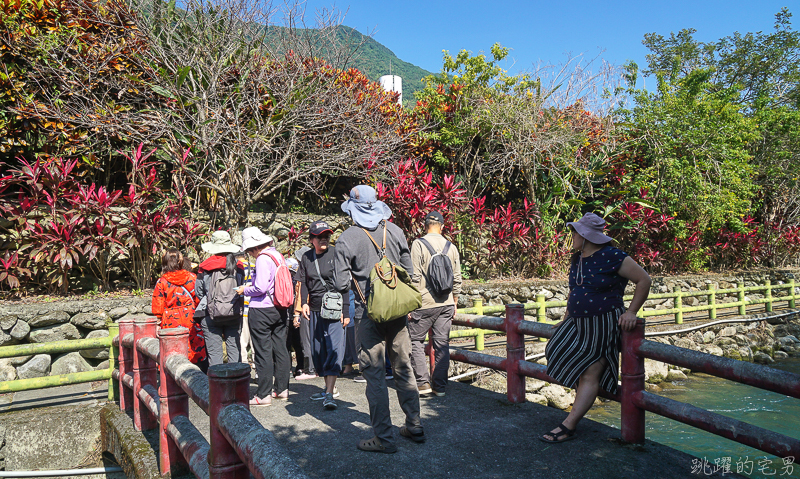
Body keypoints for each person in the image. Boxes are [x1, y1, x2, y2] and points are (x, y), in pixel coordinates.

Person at [542, 212, 651, 443]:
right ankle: (582, 400)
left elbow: (644, 280)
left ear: (585, 235)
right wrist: (566, 318)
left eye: (574, 232)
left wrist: (631, 312)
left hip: (603, 321)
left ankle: (568, 425)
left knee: (591, 373)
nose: (571, 236)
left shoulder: (614, 256)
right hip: (577, 322)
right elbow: (575, 290)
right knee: (555, 348)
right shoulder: (577, 258)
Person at [333, 185, 425, 453]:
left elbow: (340, 283)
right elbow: (409, 273)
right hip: (398, 312)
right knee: (403, 367)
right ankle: (414, 424)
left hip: (367, 313)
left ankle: (384, 438)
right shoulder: (395, 231)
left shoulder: (347, 239)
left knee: (374, 374)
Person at [296, 220, 351, 410]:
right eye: (320, 237)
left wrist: (345, 311)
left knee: (334, 348)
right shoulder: (306, 257)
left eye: (327, 236)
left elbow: (344, 284)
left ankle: (329, 393)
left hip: (335, 311)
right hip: (315, 310)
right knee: (319, 351)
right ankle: (328, 387)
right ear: (312, 239)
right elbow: (303, 281)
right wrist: (303, 302)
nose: (324, 239)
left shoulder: (336, 254)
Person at [408, 211, 462, 397]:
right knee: (442, 344)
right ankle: (439, 387)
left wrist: (411, 304)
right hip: (446, 303)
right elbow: (457, 278)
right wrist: (454, 301)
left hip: (424, 303)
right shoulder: (451, 246)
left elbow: (414, 277)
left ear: (424, 225)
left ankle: (423, 384)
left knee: (414, 340)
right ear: (442, 226)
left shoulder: (418, 244)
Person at [236, 227, 291, 406]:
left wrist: (245, 290)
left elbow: (260, 287)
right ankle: (282, 389)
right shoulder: (278, 256)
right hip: (280, 307)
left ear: (253, 248)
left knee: (262, 352)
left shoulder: (262, 259)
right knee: (281, 349)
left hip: (261, 310)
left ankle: (264, 394)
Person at [152, 249, 208, 373]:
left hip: (170, 320)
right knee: (195, 348)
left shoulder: (162, 282)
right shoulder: (192, 278)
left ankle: (172, 381)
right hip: (191, 318)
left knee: (172, 349)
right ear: (181, 261)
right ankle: (199, 381)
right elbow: (199, 299)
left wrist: (157, 323)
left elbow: (158, 304)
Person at [195, 231, 244, 367]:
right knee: (234, 351)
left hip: (210, 313)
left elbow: (199, 291)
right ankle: (236, 385)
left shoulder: (205, 266)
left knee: (214, 355)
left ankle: (217, 386)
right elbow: (242, 286)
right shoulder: (239, 266)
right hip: (234, 311)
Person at [293, 246, 317, 380]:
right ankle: (316, 368)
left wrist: (297, 314)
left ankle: (310, 370)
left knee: (306, 341)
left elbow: (300, 297)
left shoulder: (302, 272)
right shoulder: (314, 270)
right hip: (316, 308)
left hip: (305, 310)